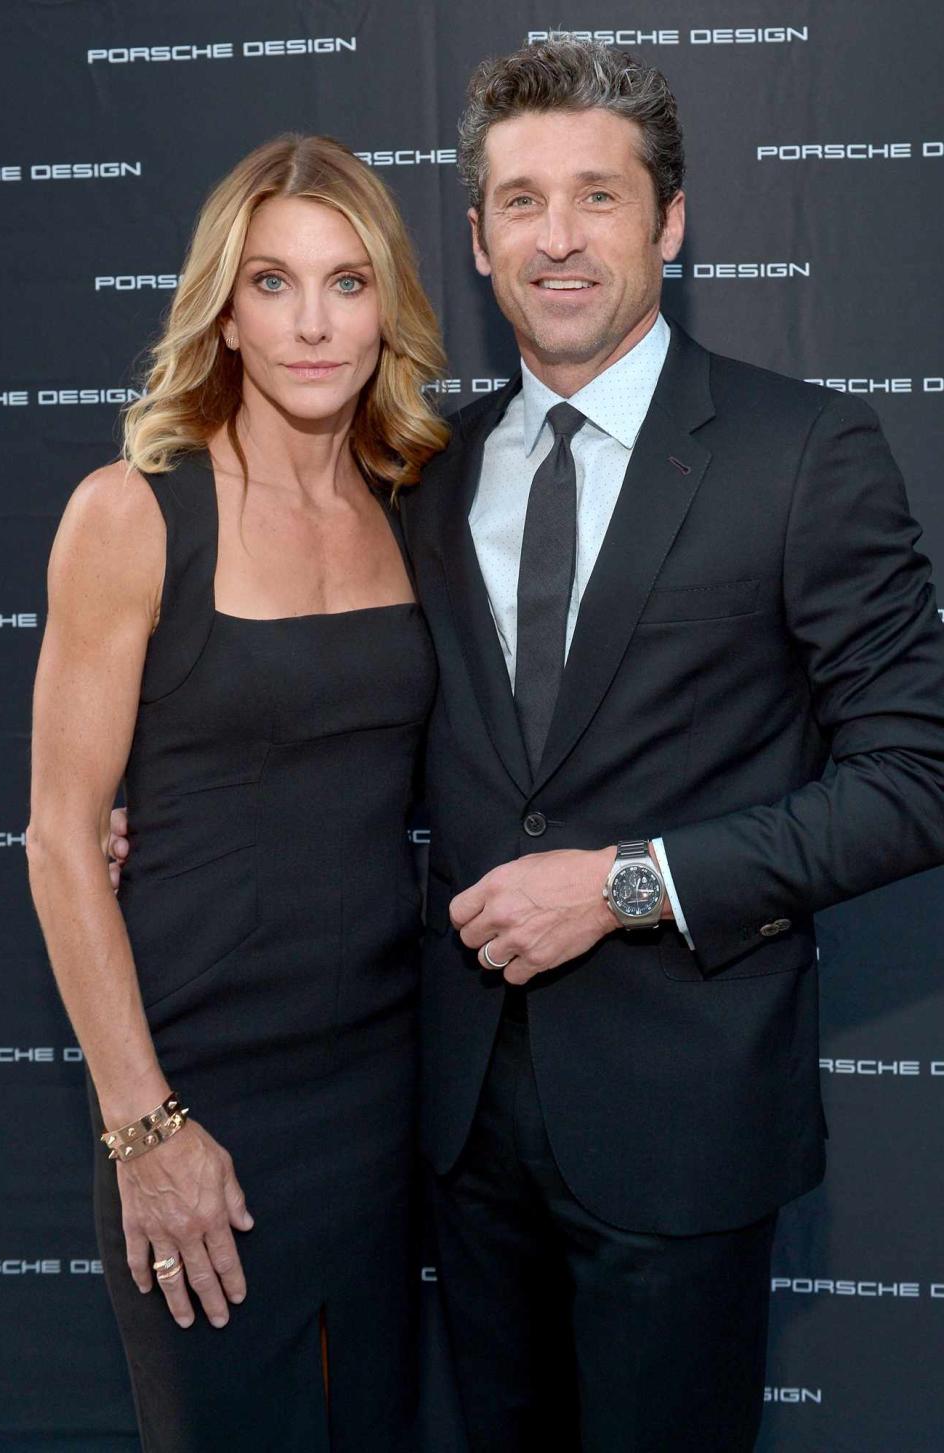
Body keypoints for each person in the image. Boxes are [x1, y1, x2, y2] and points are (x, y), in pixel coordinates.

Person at [395, 37, 944, 1453]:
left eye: (598, 195)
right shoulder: (427, 473)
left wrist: (625, 881)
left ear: (671, 221)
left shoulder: (803, 451)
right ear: (478, 236)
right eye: (521, 200)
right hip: (461, 1120)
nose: (558, 237)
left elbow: (916, 777)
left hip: (684, 1117)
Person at [27, 132, 448, 1452]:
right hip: (196, 1096)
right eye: (274, 283)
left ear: (389, 305)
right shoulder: (133, 513)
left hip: (383, 1094)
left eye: (346, 281)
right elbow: (56, 839)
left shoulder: (415, 507)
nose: (314, 322)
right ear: (224, 307)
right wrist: (145, 1127)